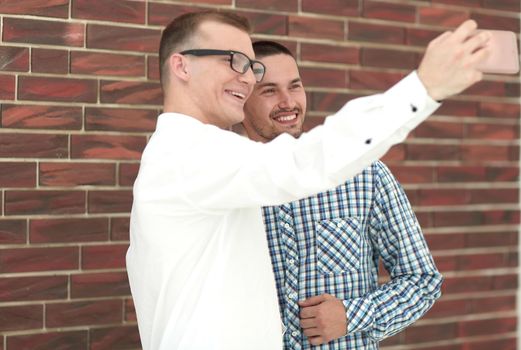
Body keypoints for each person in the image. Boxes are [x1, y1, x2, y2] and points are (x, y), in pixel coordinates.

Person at [125, 9, 491, 350]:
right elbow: (304, 163)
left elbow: (419, 279)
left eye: (251, 67)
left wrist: (353, 316)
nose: (247, 77)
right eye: (233, 61)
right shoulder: (191, 156)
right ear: (182, 66)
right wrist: (423, 88)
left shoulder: (218, 161)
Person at [242, 40, 442, 349]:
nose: (287, 102)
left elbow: (421, 281)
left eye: (294, 87)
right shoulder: (229, 183)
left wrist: (352, 315)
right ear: (241, 98)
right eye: (269, 91)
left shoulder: (363, 175)